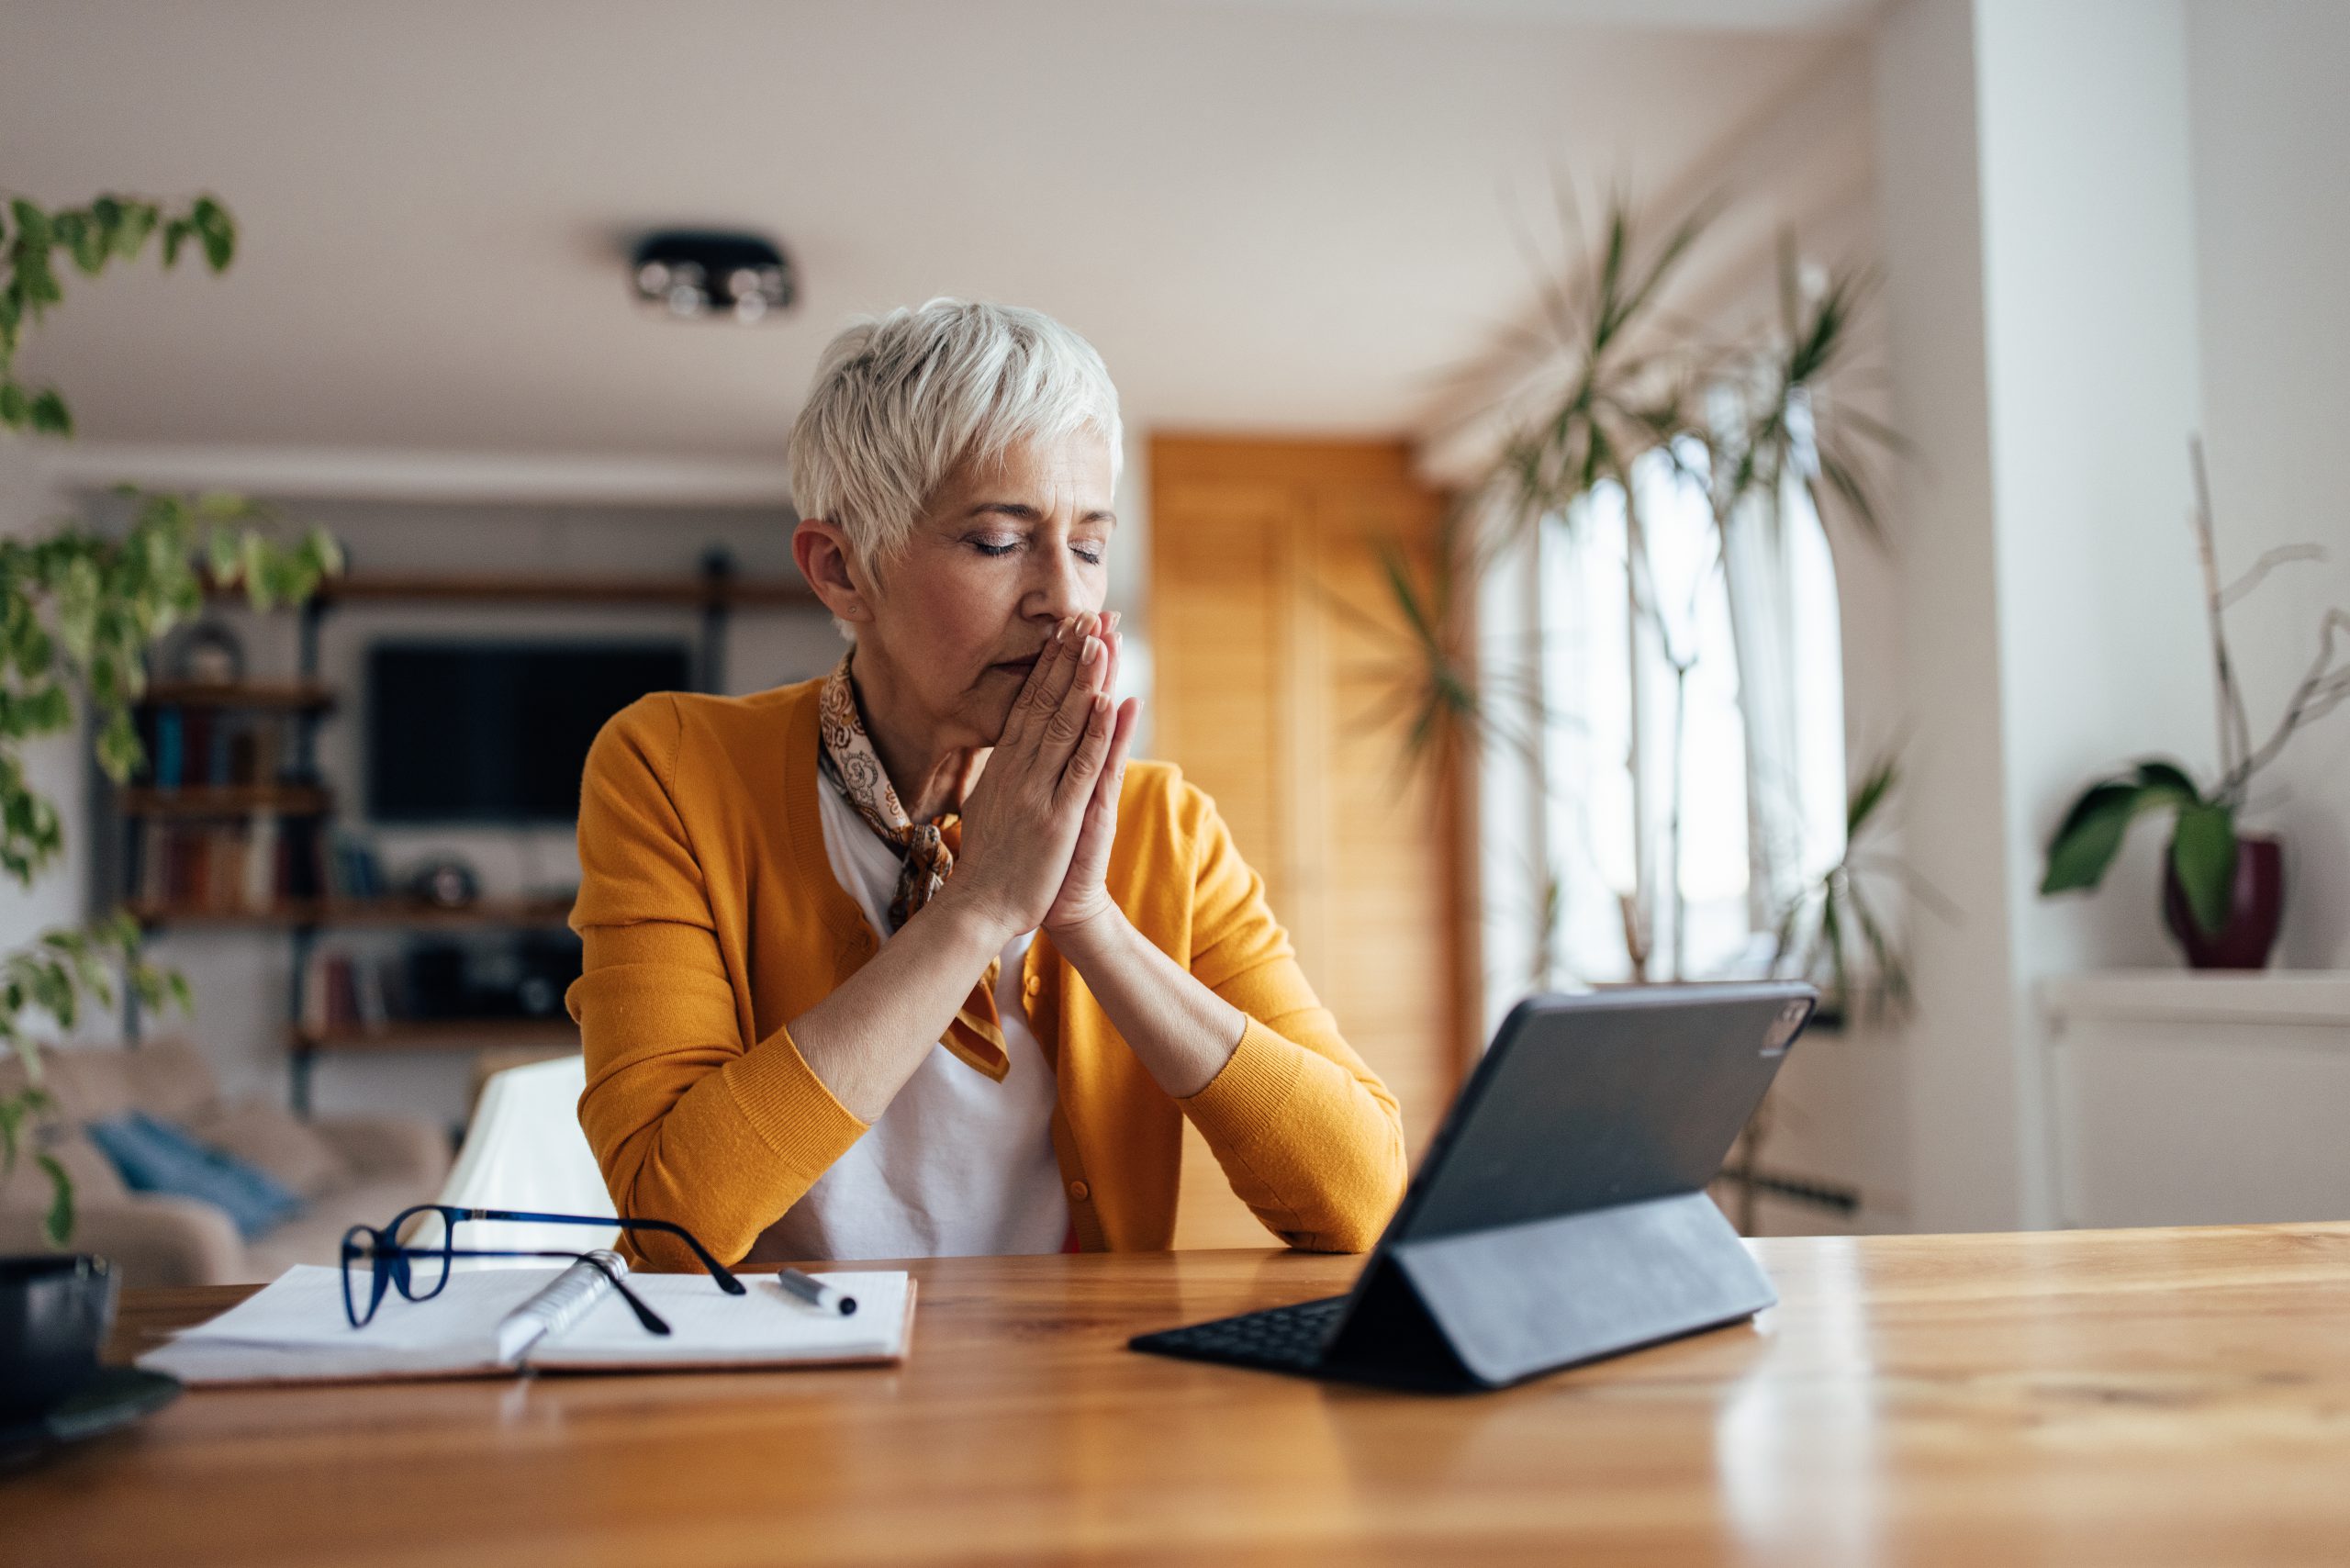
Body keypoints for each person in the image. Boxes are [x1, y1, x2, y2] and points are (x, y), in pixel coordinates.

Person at [566, 298, 1406, 1270]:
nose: (1064, 598)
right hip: (787, 1404)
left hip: (1072, 1403)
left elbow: (1358, 1200)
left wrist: (1086, 919)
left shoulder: (1161, 827)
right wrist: (975, 909)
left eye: (1089, 546)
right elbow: (672, 1223)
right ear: (842, 571)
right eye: (1000, 543)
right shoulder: (672, 770)